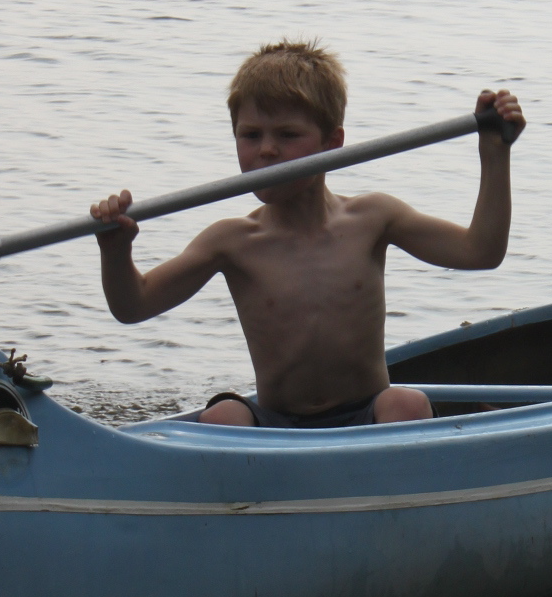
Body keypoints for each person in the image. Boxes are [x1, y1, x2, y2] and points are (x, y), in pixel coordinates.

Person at [89, 38, 525, 426]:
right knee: (223, 415)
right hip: (275, 421)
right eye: (250, 135)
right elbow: (134, 305)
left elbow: (480, 251)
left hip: (366, 414)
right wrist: (115, 250)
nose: (266, 150)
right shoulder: (231, 241)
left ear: (331, 144)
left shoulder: (373, 218)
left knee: (406, 403)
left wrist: (494, 154)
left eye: (287, 134)